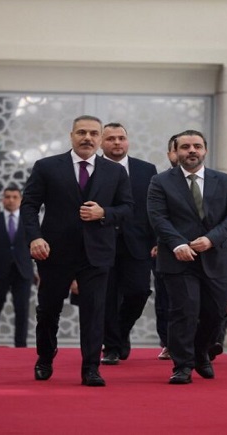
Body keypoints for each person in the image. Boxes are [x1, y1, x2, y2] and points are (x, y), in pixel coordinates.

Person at [21, 115, 133, 387]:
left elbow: (128, 208)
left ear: (100, 138)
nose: (87, 138)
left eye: (93, 133)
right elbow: (29, 205)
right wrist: (35, 238)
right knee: (48, 310)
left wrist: (103, 213)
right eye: (81, 132)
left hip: (97, 253)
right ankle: (45, 357)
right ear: (71, 135)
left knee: (94, 312)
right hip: (54, 252)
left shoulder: (115, 171)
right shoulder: (47, 166)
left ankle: (91, 368)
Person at [147, 130, 227, 384]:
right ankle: (183, 365)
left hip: (216, 256)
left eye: (197, 146)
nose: (192, 150)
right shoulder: (160, 182)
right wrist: (178, 243)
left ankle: (201, 352)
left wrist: (212, 239)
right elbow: (157, 217)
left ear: (205, 150)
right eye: (185, 146)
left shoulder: (226, 181)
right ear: (176, 152)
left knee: (216, 313)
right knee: (184, 311)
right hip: (178, 258)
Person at [93, 122, 158, 365]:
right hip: (101, 242)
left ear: (128, 141)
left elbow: (154, 208)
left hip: (137, 243)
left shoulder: (146, 169)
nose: (117, 142)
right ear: (101, 142)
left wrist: (157, 240)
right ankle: (111, 346)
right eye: (111, 138)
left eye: (121, 138)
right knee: (107, 297)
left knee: (139, 291)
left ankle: (120, 332)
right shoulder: (92, 168)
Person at [0, 185, 36, 347]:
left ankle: (20, 344)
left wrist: (41, 270)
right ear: (3, 199)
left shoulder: (29, 220)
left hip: (23, 271)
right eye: (7, 197)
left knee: (22, 309)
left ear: (21, 200)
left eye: (15, 197)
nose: (11, 200)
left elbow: (37, 245)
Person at [154, 133, 180, 361]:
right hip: (165, 247)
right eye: (178, 149)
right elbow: (154, 215)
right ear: (170, 154)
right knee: (165, 300)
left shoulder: (210, 180)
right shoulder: (159, 181)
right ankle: (169, 342)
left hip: (202, 246)